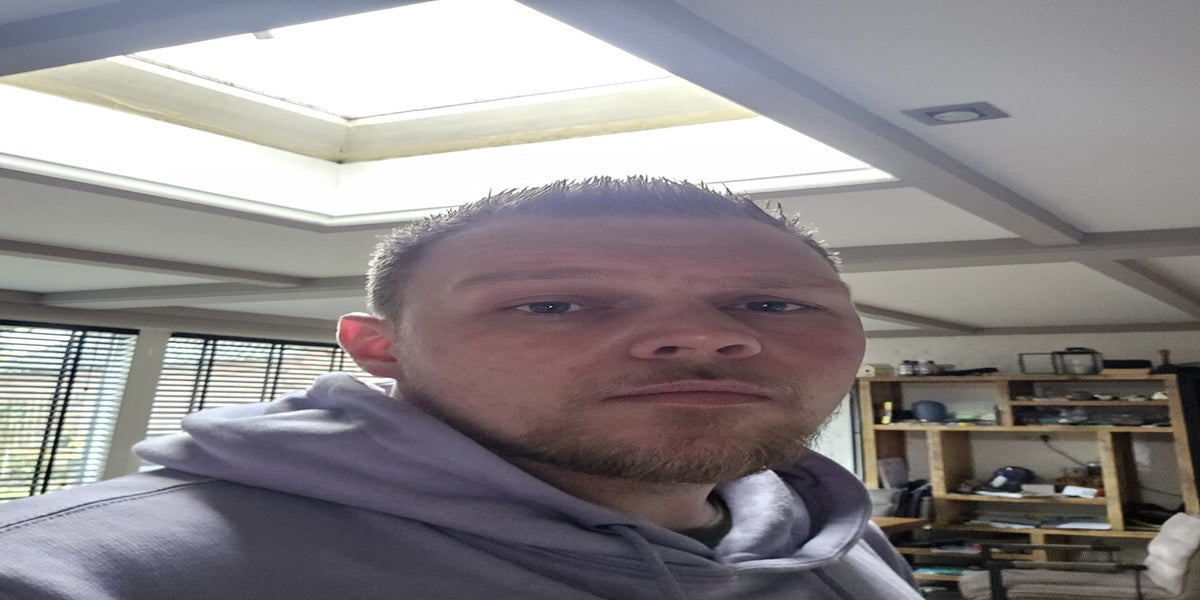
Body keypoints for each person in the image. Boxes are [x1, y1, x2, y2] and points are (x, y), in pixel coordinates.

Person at [0, 177, 918, 599]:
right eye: (553, 304)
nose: (709, 336)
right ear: (380, 349)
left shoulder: (839, 538)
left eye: (772, 302)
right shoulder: (74, 572)